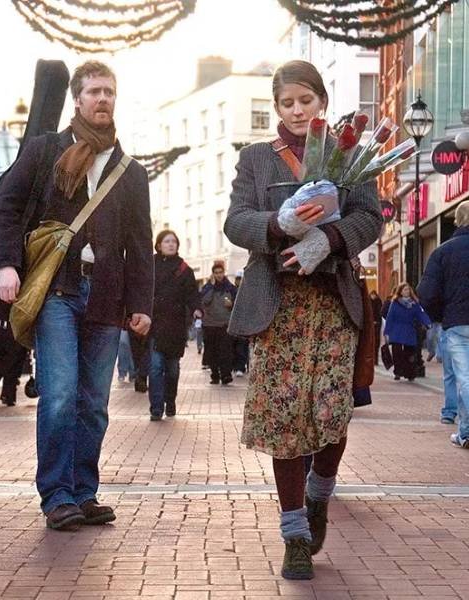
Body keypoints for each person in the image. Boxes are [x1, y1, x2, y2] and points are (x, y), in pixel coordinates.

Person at [223, 60, 382, 580]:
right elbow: (237, 220)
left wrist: (328, 240)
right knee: (285, 421)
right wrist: (279, 222)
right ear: (277, 107)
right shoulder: (255, 159)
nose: (296, 110)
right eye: (287, 103)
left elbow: (369, 217)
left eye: (305, 101)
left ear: (322, 104)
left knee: (333, 414)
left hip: (334, 303)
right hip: (278, 306)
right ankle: (294, 533)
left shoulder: (349, 153)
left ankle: (319, 494)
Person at [0, 61, 154, 530]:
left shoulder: (129, 170)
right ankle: (57, 494)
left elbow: (140, 241)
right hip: (56, 290)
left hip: (105, 296)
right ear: (77, 100)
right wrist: (6, 265)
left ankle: (84, 492)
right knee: (59, 396)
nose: (103, 99)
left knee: (94, 403)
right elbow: (8, 206)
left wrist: (141, 304)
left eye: (110, 92)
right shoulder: (46, 151)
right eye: (95, 91)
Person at [418, 200, 469, 447]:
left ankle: (465, 430)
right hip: (455, 320)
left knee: (463, 377)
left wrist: (440, 316)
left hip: (456, 323)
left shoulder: (443, 251)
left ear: (458, 220)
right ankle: (465, 431)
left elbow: (426, 292)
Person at [148, 230, 201, 420]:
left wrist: (196, 308)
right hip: (155, 324)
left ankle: (170, 401)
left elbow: (193, 294)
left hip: (176, 327)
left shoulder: (183, 268)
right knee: (155, 367)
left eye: (173, 242)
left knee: (172, 369)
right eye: (166, 241)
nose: (171, 244)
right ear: (159, 245)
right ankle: (156, 408)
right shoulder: (150, 265)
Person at [384, 282, 431, 382]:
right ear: (400, 292)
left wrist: (427, 322)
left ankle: (410, 373)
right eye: (405, 290)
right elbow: (390, 318)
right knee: (397, 353)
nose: (407, 291)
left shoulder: (414, 304)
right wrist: (387, 332)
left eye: (408, 290)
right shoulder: (395, 303)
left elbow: (421, 314)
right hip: (397, 330)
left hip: (409, 330)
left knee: (409, 353)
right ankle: (398, 372)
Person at [200, 262, 237, 385]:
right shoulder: (207, 287)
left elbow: (237, 305)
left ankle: (226, 375)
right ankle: (215, 375)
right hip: (210, 325)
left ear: (224, 272)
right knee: (212, 351)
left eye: (220, 272)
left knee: (225, 351)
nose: (219, 275)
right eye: (216, 273)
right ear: (213, 274)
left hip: (225, 324)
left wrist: (231, 305)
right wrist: (212, 286)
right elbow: (204, 301)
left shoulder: (230, 288)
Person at [369, 290, 383, 365]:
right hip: (371, 324)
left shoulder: (378, 301)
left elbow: (380, 313)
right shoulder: (368, 301)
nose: (373, 297)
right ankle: (372, 360)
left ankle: (375, 360)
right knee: (371, 343)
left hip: (377, 324)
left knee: (376, 342)